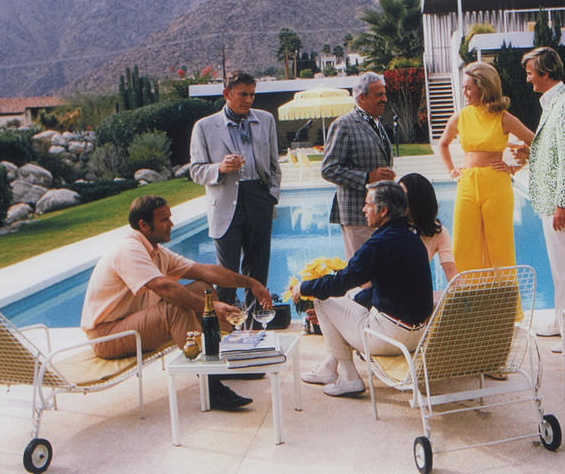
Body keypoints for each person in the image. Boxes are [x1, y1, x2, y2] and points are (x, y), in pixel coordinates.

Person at [80, 194, 274, 411]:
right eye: (164, 219)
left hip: (132, 325)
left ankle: (227, 359)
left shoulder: (156, 251)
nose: (171, 224)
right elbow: (164, 288)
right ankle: (212, 389)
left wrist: (250, 283)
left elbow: (205, 271)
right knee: (175, 306)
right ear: (144, 225)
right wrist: (211, 307)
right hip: (108, 336)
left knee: (203, 288)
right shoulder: (129, 250)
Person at [291, 180, 434, 397]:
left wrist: (304, 287)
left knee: (323, 299)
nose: (363, 209)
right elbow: (386, 288)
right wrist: (353, 302)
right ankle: (329, 368)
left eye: (368, 204)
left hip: (389, 338)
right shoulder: (412, 240)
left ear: (383, 210)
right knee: (350, 296)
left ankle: (349, 377)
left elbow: (339, 283)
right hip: (417, 335)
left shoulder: (378, 245)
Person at [189, 72, 282, 307]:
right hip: (225, 202)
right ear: (226, 94)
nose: (249, 100)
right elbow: (196, 171)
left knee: (258, 269)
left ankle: (254, 329)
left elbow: (274, 166)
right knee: (226, 272)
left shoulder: (266, 120)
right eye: (243, 94)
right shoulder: (204, 127)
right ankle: (225, 329)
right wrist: (219, 168)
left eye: (252, 94)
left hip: (259, 198)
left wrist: (271, 197)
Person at [522, 46, 565, 339]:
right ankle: (563, 323)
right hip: (550, 201)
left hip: (559, 203)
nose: (528, 80)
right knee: (560, 268)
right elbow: (554, 152)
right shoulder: (552, 103)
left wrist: (562, 203)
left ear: (545, 73)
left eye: (530, 73)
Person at [437, 62, 534, 274]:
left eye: (469, 88)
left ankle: (505, 306)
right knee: (462, 248)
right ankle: (471, 305)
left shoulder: (504, 117)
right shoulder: (460, 117)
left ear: (484, 87)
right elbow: (442, 144)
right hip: (467, 185)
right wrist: (451, 170)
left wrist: (517, 165)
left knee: (500, 250)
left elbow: (535, 141)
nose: (464, 93)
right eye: (463, 87)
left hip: (496, 185)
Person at [321, 72, 396, 257]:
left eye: (384, 94)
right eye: (379, 95)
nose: (385, 99)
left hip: (380, 214)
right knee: (363, 275)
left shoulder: (376, 123)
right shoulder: (344, 125)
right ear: (362, 98)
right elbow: (328, 169)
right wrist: (367, 177)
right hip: (357, 214)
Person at [399, 172, 456, 284]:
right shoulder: (392, 227)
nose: (397, 200)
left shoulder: (438, 232)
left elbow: (450, 269)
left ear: (417, 200)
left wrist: (463, 298)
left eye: (402, 196)